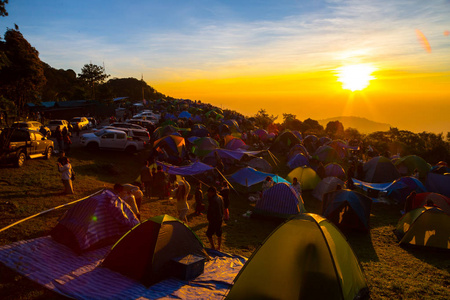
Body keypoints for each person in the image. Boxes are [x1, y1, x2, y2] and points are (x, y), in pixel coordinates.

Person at [206, 186, 224, 251]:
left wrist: (210, 219)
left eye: (209, 193)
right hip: (219, 218)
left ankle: (213, 246)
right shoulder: (220, 197)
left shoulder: (213, 200)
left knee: (209, 233)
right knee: (218, 233)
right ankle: (218, 247)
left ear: (212, 192)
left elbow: (212, 210)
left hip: (214, 219)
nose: (208, 194)